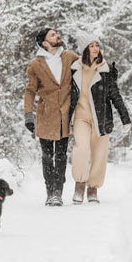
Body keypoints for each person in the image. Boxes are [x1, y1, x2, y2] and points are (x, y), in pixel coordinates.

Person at [70, 33, 131, 204]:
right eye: (92, 45)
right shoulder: (74, 69)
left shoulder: (106, 70)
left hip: (102, 119)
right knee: (81, 149)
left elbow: (115, 95)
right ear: (84, 49)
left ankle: (93, 188)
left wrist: (125, 118)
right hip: (80, 118)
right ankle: (80, 184)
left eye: (97, 45)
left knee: (99, 153)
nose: (96, 48)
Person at [24, 28, 78, 206]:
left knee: (61, 155)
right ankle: (49, 192)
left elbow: (87, 67)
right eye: (52, 35)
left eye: (56, 33)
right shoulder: (36, 64)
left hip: (65, 115)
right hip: (45, 115)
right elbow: (30, 91)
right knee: (47, 156)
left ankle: (58, 193)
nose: (58, 36)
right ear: (45, 43)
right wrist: (28, 115)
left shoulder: (69, 56)